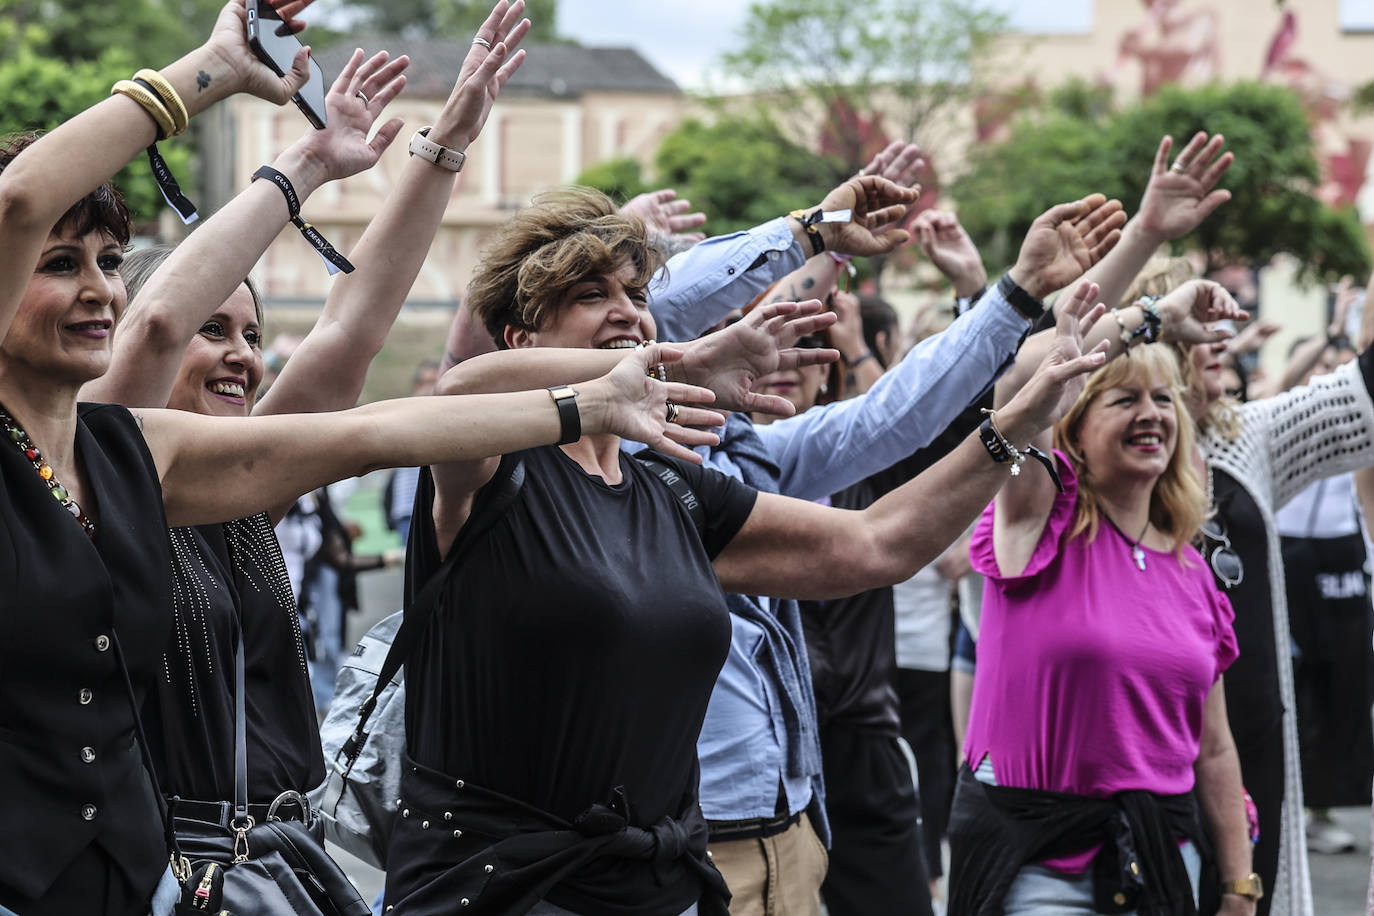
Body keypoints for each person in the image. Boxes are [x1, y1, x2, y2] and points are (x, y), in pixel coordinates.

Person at [0, 4, 715, 910]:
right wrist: (221, 79)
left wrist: (587, 400)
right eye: (62, 264)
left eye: (253, 334)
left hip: (238, 874)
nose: (242, 354)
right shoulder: (105, 427)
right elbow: (128, 297)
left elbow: (366, 395)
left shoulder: (164, 463)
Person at [379, 182, 1115, 915]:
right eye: (590, 294)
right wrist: (687, 354)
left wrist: (1010, 428)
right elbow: (461, 388)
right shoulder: (494, 465)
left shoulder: (676, 486)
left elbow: (878, 543)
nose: (629, 313)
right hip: (503, 889)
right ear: (522, 338)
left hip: (657, 887)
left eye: (636, 296)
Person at [76, 0, 527, 822]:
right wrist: (305, 166)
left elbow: (349, 332)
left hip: (278, 858)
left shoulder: (244, 490)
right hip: (162, 876)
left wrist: (445, 143)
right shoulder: (88, 474)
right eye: (215, 330)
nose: (243, 356)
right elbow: (154, 326)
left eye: (252, 334)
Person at [949, 282, 1255, 916]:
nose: (1152, 415)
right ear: (1076, 431)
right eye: (1125, 399)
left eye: (1164, 399)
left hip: (1165, 858)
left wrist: (1239, 885)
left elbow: (1215, 748)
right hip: (1038, 867)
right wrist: (1151, 310)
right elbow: (1015, 382)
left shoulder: (1193, 571)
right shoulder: (1034, 523)